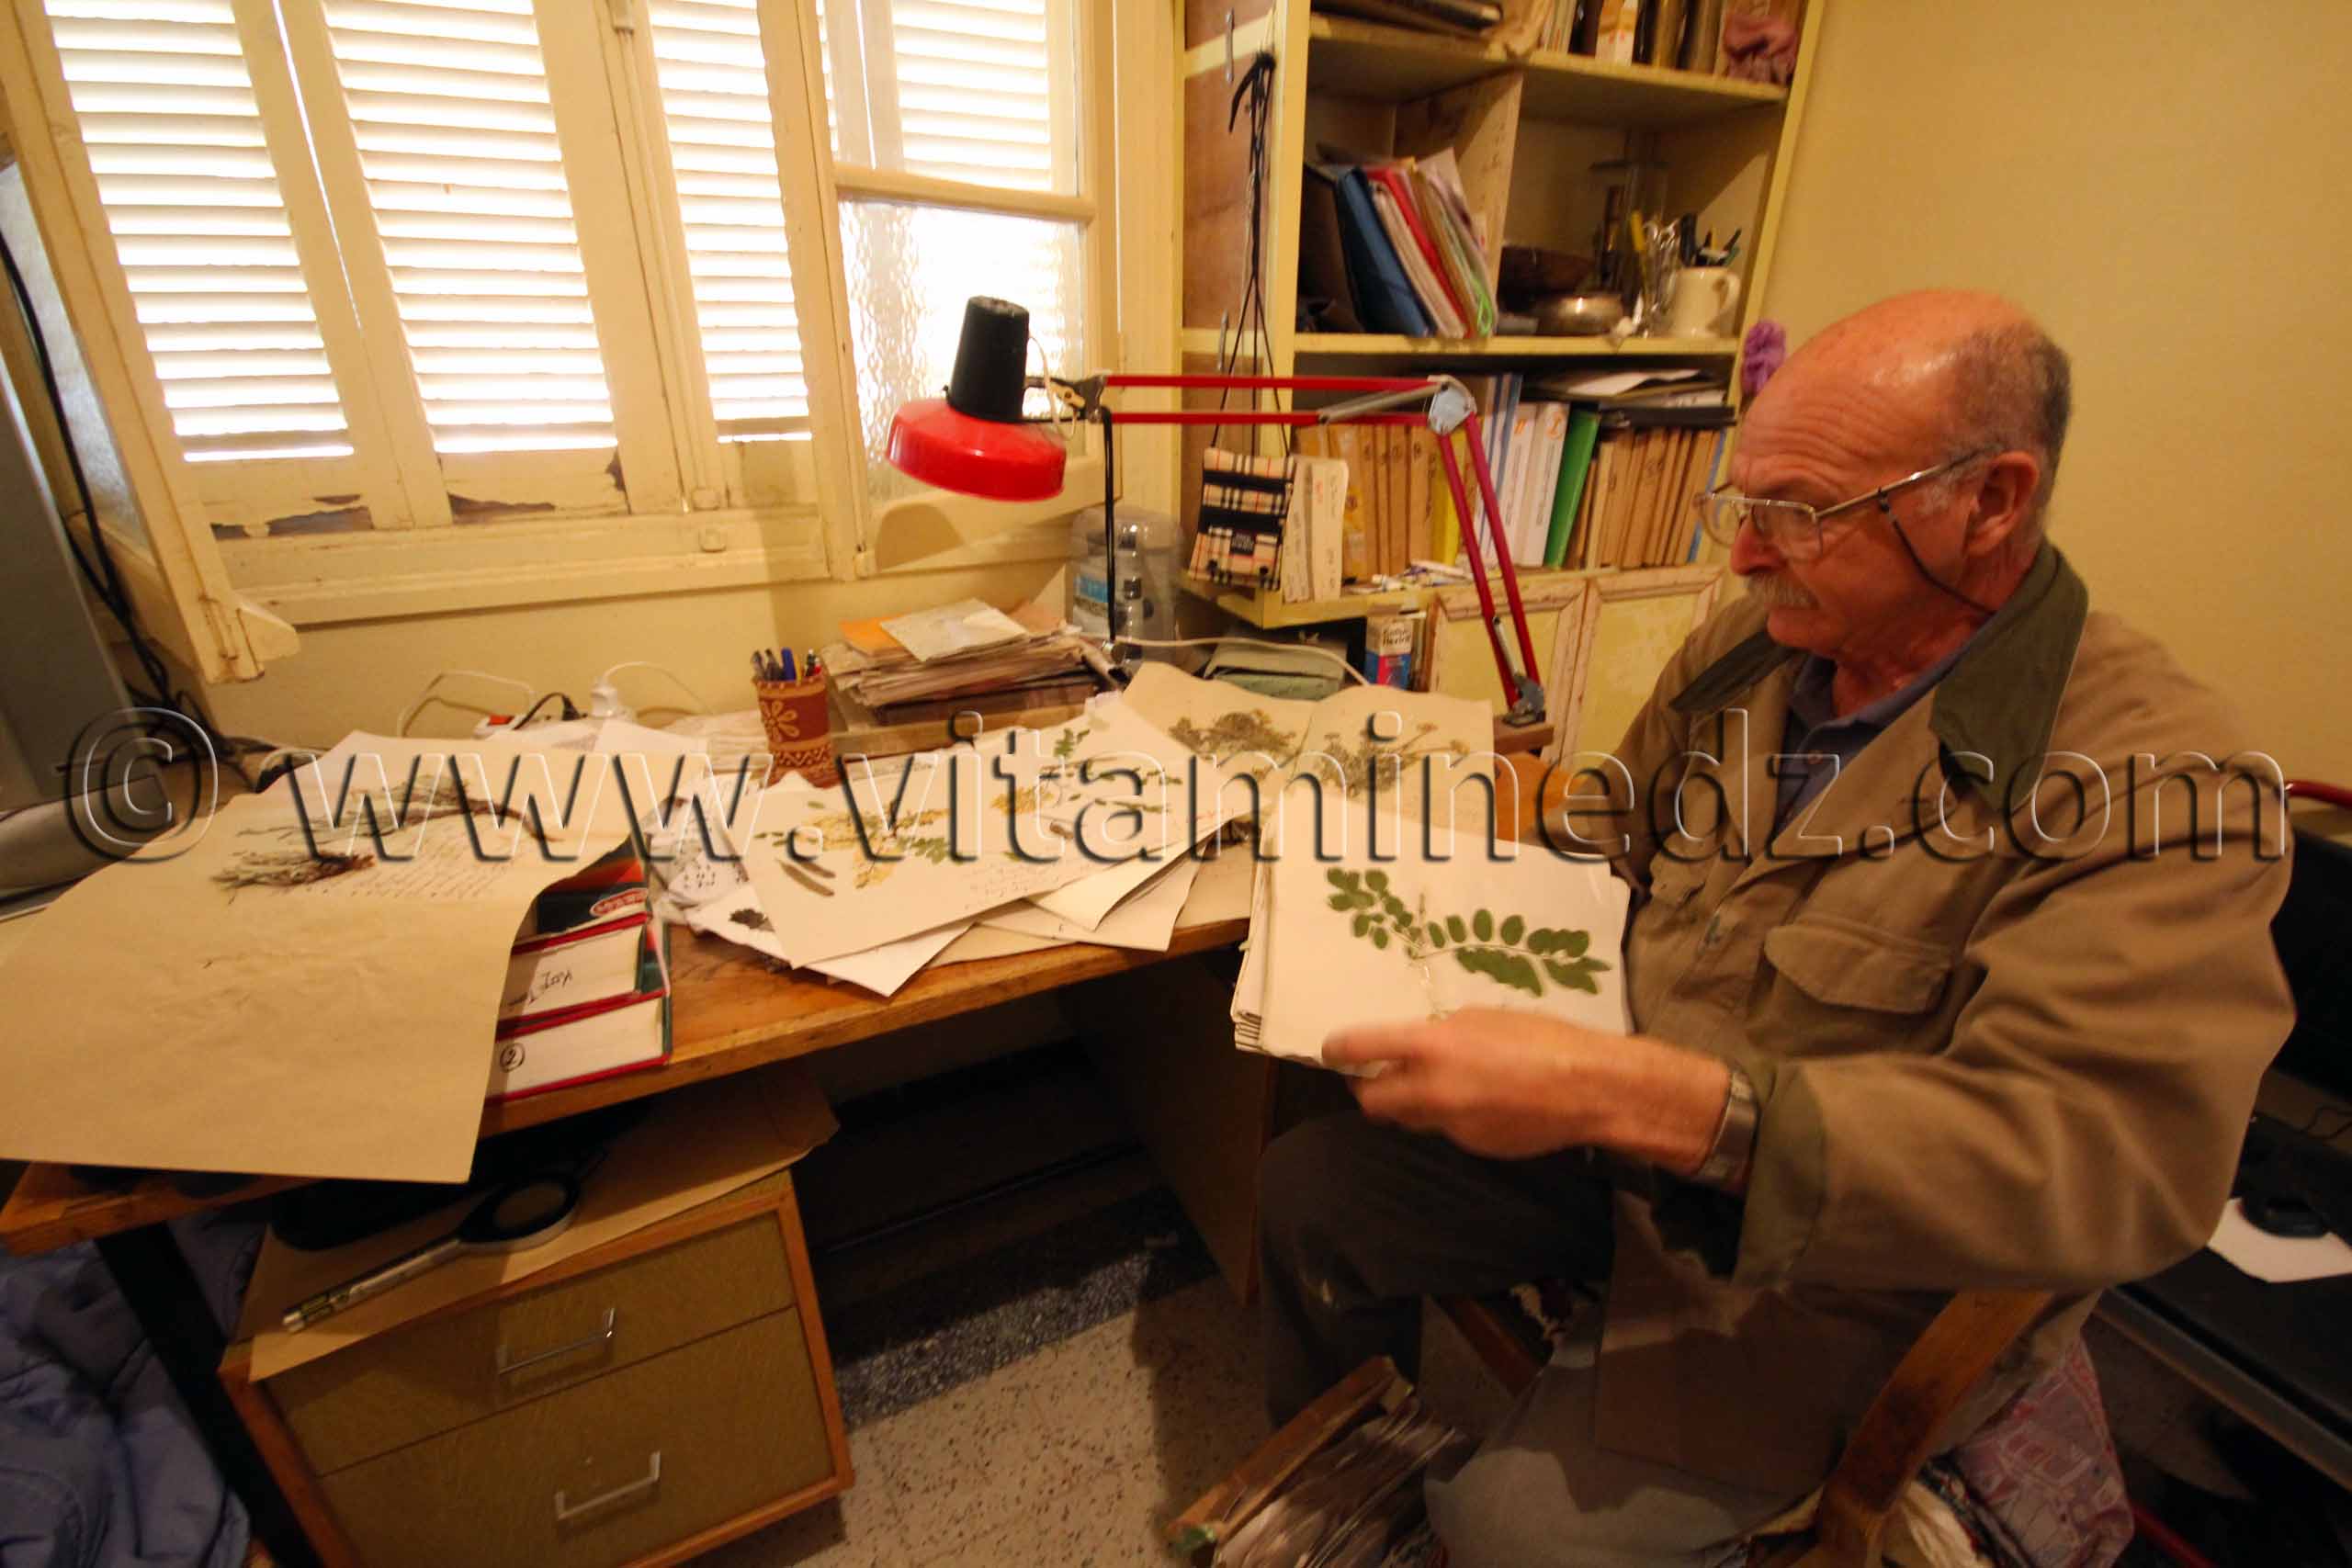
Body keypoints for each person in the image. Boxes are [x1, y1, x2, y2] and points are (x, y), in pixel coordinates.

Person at [1257, 291, 2296, 1567]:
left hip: (1830, 1272)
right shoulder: (1760, 646)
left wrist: (1673, 1105)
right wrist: (1412, 913)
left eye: (1800, 514)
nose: (1746, 556)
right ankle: (1347, 1466)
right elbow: (1604, 843)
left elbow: (2115, 1161)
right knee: (1310, 1181)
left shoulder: (2160, 780)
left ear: (1992, 502)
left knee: (1512, 1538)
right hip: (1616, 1143)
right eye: (1741, 506)